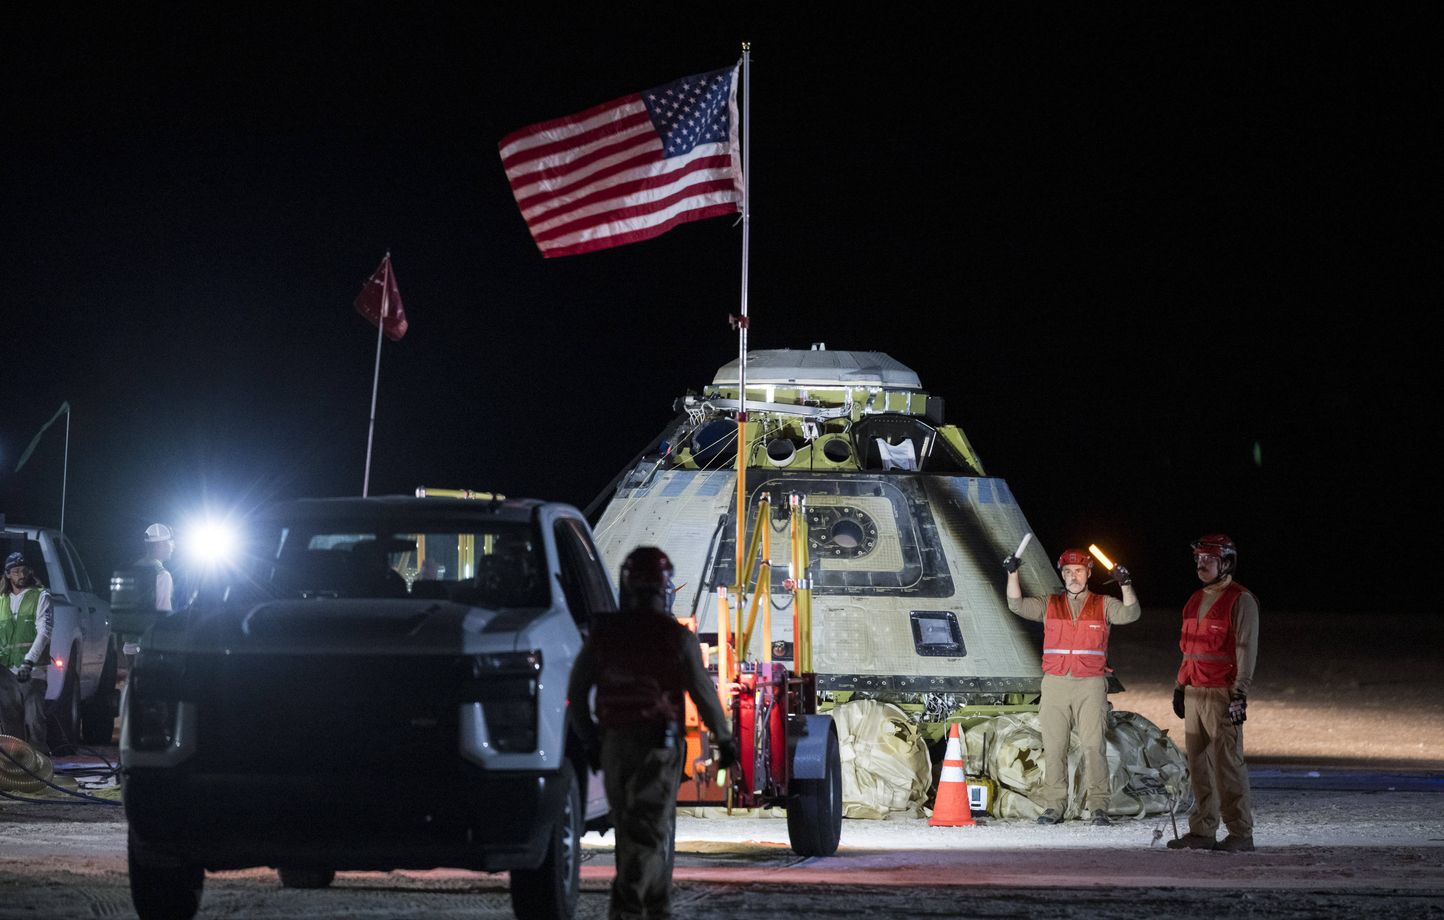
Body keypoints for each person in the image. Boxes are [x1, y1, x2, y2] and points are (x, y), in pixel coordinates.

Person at [567, 546, 739, 920]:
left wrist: (590, 739)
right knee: (648, 833)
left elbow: (577, 692)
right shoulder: (675, 637)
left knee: (632, 830)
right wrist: (725, 741)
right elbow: (703, 694)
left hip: (613, 744)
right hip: (657, 749)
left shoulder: (604, 634)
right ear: (665, 588)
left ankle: (658, 909)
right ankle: (626, 910)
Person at [1005, 546, 1140, 826]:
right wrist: (1012, 573)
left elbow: (1130, 614)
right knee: (1054, 748)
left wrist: (1125, 584)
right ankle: (1054, 806)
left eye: (1078, 571)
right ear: (1062, 574)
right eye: (1067, 571)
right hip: (1055, 684)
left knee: (1093, 747)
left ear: (1088, 573)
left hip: (1090, 684)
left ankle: (1098, 807)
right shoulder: (1049, 603)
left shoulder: (1103, 604)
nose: (1073, 576)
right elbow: (1016, 605)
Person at [1167, 534, 1259, 853]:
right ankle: (1202, 829)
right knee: (1199, 765)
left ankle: (1240, 832)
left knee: (1227, 765)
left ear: (1227, 562)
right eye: (1199, 559)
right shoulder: (1194, 599)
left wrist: (1239, 694)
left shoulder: (1240, 600)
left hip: (1222, 693)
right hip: (1194, 692)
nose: (1201, 564)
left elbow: (1246, 649)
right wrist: (1180, 686)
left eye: (1209, 559)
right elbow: (1188, 650)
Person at [0, 552, 54, 754]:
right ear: (7, 575)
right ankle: (18, 773)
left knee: (35, 723)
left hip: (32, 673)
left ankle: (40, 770)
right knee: (10, 728)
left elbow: (44, 631)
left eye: (24, 570)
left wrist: (29, 662)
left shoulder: (41, 596)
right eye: (15, 571)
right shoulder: (2, 600)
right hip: (6, 673)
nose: (21, 574)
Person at [138, 523, 175, 613]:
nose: (173, 547)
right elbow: (163, 614)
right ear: (160, 545)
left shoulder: (131, 568)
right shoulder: (163, 575)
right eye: (170, 542)